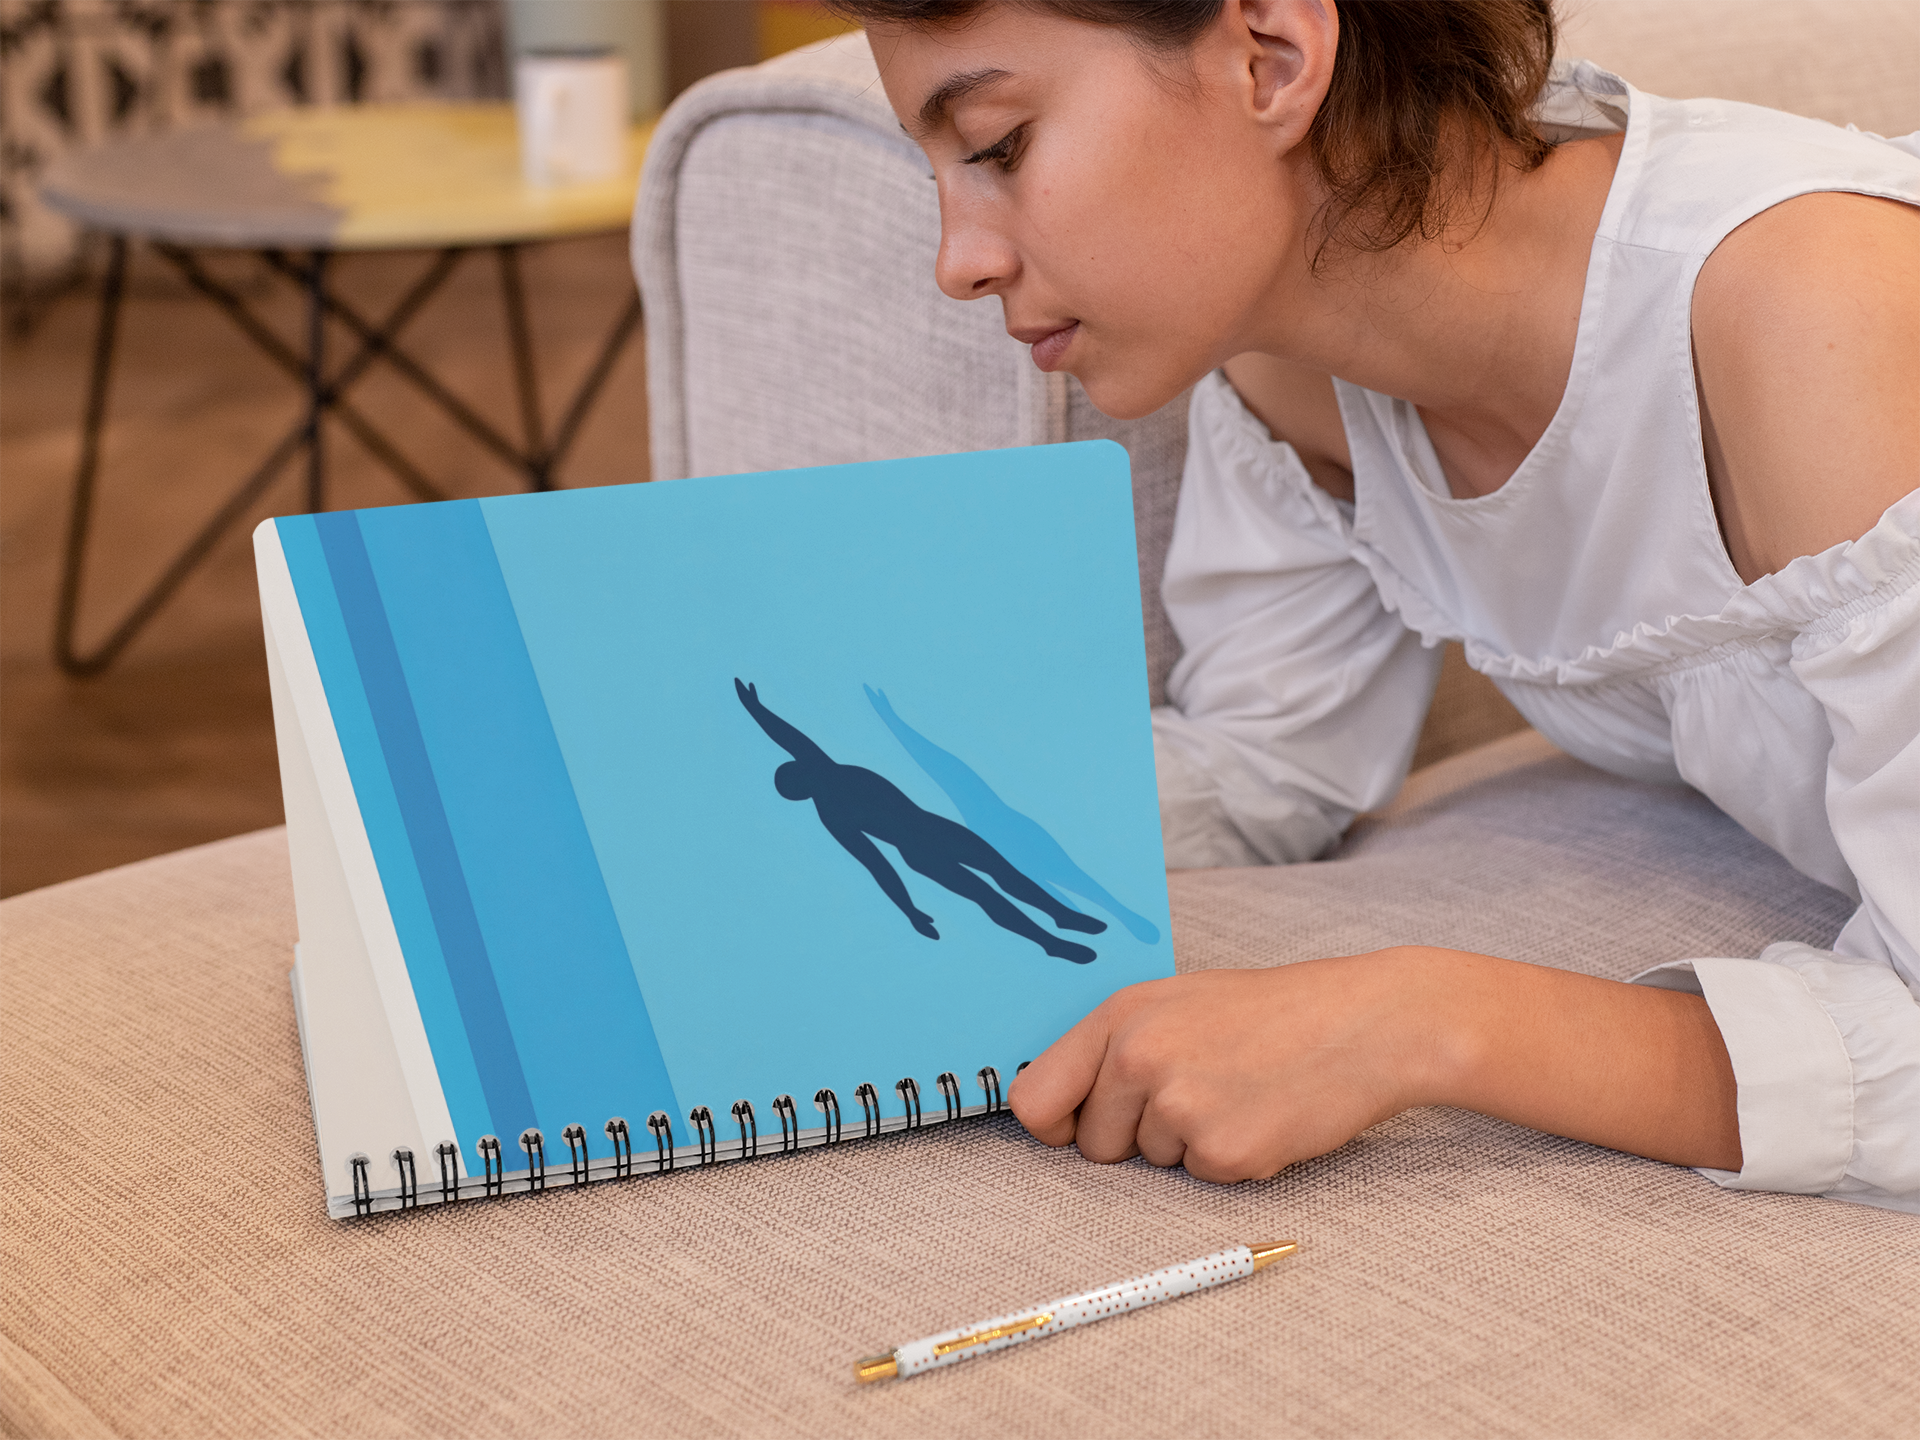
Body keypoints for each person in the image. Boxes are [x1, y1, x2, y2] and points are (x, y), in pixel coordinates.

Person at [831, 0, 1920, 1209]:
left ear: (1273, 57)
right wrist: (853, 828)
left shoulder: (1823, 314)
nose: (958, 261)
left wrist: (1418, 1022)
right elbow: (1270, 760)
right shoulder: (1286, 371)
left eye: (996, 145)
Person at [735, 679, 1107, 961]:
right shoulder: (831, 808)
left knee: (1002, 872)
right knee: (984, 892)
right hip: (920, 848)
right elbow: (876, 863)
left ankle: (1059, 916)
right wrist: (908, 910)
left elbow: (790, 738)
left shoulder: (827, 773)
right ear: (804, 784)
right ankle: (1049, 942)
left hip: (934, 828)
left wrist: (756, 711)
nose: (805, 763)